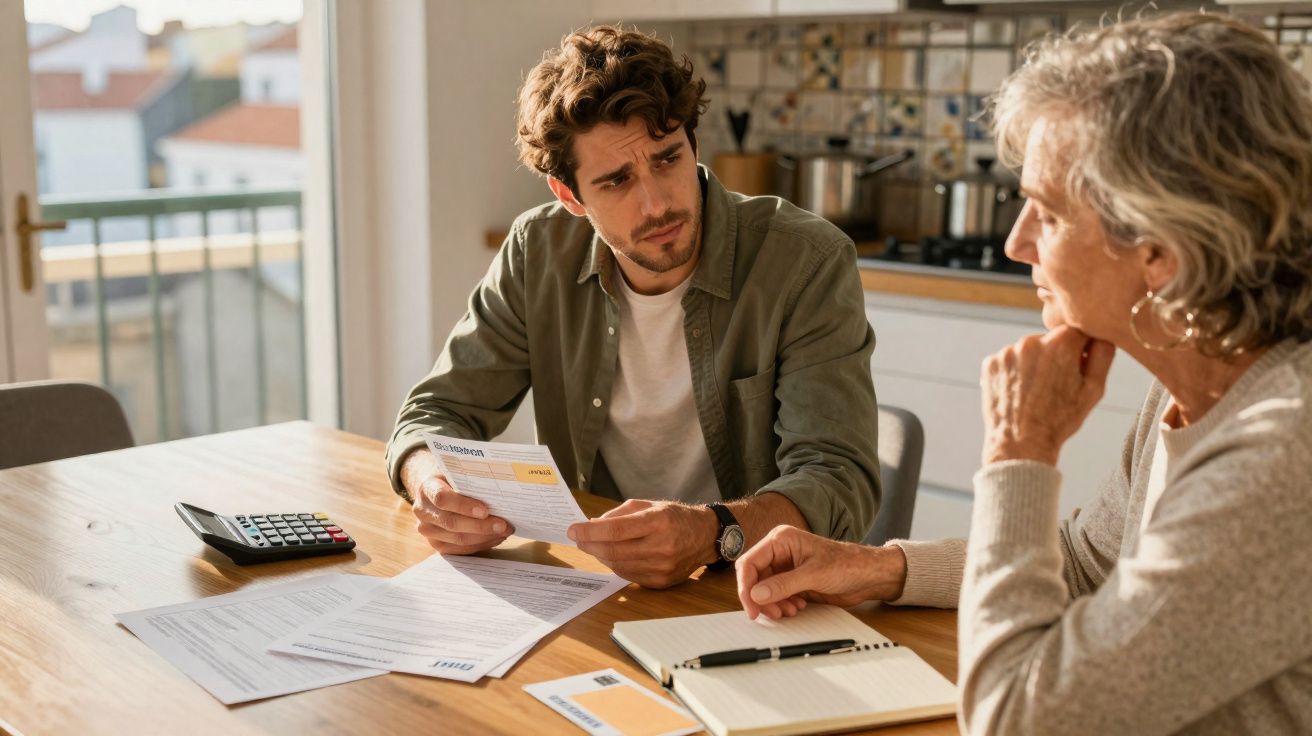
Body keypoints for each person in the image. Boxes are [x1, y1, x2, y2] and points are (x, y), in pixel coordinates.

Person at [733, 12, 1312, 734]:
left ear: (1163, 247)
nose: (1015, 243)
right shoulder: (1190, 386)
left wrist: (1018, 451)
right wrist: (875, 567)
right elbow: (1084, 565)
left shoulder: (1283, 457)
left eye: (1047, 211)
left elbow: (1013, 720)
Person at [384, 26, 881, 589]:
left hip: (759, 589)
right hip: (602, 582)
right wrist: (433, 487)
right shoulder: (536, 252)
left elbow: (839, 481)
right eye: (617, 180)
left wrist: (712, 531)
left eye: (668, 159)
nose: (658, 202)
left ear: (693, 144)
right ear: (569, 196)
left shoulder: (804, 260)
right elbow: (433, 414)